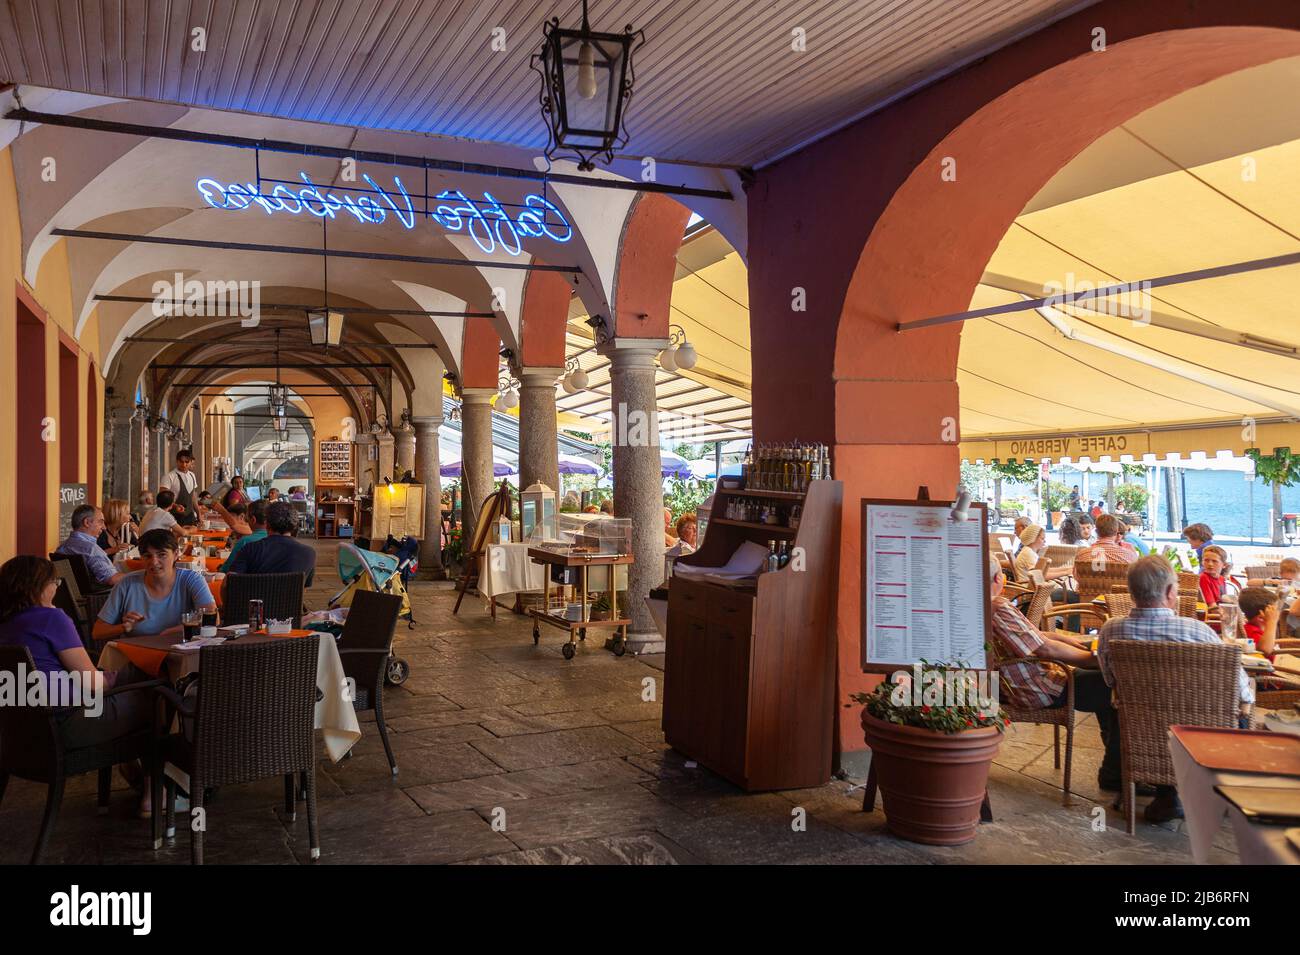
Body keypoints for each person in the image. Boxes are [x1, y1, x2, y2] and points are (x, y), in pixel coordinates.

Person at [1097, 555, 1254, 822]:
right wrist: (1247, 702)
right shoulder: (1198, 631)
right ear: (1171, 592)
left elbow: (1110, 680)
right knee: (1240, 706)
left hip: (1142, 732)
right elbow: (1238, 686)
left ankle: (1164, 790)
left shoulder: (1111, 631)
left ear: (1131, 592)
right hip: (1200, 735)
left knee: (1128, 710)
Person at [0, 556, 159, 812]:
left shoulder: (7, 624)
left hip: (21, 734)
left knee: (132, 675)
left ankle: (132, 767)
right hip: (69, 724)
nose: (57, 587)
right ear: (39, 586)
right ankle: (155, 794)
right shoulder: (50, 619)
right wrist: (110, 680)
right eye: (54, 582)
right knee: (159, 698)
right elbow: (93, 685)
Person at [987, 554, 1124, 791]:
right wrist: (1092, 658)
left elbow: (1038, 638)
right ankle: (1116, 773)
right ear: (999, 578)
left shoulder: (981, 605)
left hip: (1020, 682)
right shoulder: (997, 606)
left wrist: (1079, 646)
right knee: (1117, 688)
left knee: (1107, 684)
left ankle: (1114, 770)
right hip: (1034, 688)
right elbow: (1044, 647)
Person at [93, 529, 217, 642]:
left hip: (181, 652)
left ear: (175, 554)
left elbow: (212, 619)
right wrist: (123, 627)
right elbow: (97, 632)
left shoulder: (191, 579)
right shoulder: (127, 584)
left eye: (162, 554)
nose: (154, 562)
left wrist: (170, 632)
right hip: (137, 656)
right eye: (147, 556)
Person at [227, 501, 317, 586]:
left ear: (267, 523)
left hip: (252, 601)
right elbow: (303, 590)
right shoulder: (309, 553)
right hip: (290, 602)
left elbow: (229, 584)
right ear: (295, 524)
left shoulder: (250, 549)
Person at [54, 504, 126, 587]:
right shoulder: (91, 549)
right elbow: (112, 579)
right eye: (101, 522)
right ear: (87, 522)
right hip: (99, 598)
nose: (104, 528)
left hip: (73, 597)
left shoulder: (62, 547)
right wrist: (135, 575)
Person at [219, 499, 269, 571]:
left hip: (245, 581)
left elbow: (227, 569)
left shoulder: (245, 542)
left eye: (247, 518)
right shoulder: (281, 542)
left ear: (253, 520)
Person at [1238, 586, 1281, 659]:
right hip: (1273, 667)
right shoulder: (1252, 631)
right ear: (1261, 617)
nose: (1277, 613)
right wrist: (1271, 622)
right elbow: (1265, 650)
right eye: (1274, 611)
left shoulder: (1260, 628)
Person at [161, 449, 200, 525]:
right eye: (181, 461)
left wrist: (199, 514)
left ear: (191, 462)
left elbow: (193, 497)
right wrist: (175, 506)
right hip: (173, 516)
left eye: (186, 462)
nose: (184, 464)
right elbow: (162, 498)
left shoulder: (192, 475)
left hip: (190, 516)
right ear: (177, 461)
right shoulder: (169, 476)